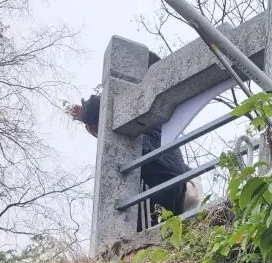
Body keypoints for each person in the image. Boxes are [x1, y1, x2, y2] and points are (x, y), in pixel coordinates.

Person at [68, 84, 197, 227]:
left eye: (94, 130)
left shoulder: (124, 129)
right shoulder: (143, 119)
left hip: (159, 182)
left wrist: (83, 114)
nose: (97, 135)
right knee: (170, 232)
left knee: (148, 232)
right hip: (176, 180)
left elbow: (97, 106)